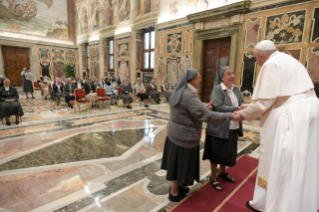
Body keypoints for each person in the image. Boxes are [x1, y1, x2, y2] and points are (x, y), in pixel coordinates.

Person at [232, 40, 319, 212]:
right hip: (311, 110)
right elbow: (278, 94)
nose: (259, 64)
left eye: (257, 60)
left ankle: (280, 206)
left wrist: (243, 114)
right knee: (303, 160)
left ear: (261, 55)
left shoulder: (270, 64)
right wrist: (249, 106)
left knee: (285, 161)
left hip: (293, 115)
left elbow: (264, 102)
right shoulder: (289, 60)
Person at [161, 69, 237, 202]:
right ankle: (174, 193)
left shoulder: (182, 90)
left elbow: (187, 109)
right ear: (191, 80)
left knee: (176, 163)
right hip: (184, 136)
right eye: (199, 77)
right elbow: (207, 116)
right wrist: (231, 116)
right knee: (179, 164)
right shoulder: (189, 95)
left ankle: (178, 187)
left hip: (175, 134)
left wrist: (202, 107)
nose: (201, 79)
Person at [203, 66, 247, 191]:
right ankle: (213, 176)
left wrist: (243, 107)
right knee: (216, 152)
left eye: (232, 73)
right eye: (228, 74)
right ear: (222, 77)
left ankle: (222, 172)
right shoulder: (218, 89)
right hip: (219, 127)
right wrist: (237, 108)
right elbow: (218, 106)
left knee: (226, 151)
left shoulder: (236, 89)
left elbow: (242, 102)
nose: (231, 76)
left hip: (233, 126)